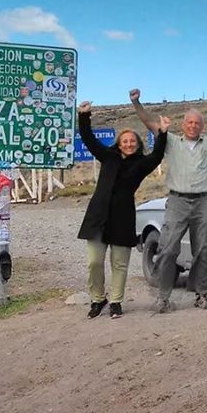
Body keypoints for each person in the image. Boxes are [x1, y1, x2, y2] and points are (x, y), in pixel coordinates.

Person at [131, 87, 207, 312]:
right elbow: (149, 123)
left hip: (202, 202)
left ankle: (201, 294)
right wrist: (137, 103)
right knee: (167, 249)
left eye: (197, 123)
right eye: (190, 122)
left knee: (205, 248)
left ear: (202, 126)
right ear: (183, 125)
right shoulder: (172, 142)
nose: (193, 126)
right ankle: (163, 297)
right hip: (177, 201)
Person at [76, 100, 169, 319]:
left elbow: (157, 155)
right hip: (98, 216)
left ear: (137, 144)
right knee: (94, 262)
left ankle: (116, 301)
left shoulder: (141, 164)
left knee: (119, 263)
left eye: (132, 141)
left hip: (122, 218)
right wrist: (84, 116)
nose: (128, 144)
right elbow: (89, 139)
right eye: (124, 141)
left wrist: (163, 133)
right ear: (119, 143)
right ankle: (98, 298)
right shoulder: (107, 156)